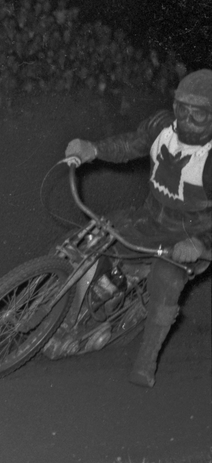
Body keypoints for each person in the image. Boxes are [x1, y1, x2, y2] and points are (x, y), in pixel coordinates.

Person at [65, 69, 212, 387]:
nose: (185, 118)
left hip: (186, 236)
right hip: (149, 218)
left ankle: (146, 361)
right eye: (181, 107)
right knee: (92, 243)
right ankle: (66, 314)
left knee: (166, 282)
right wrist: (94, 149)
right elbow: (131, 143)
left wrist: (200, 244)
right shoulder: (162, 126)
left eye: (197, 114)